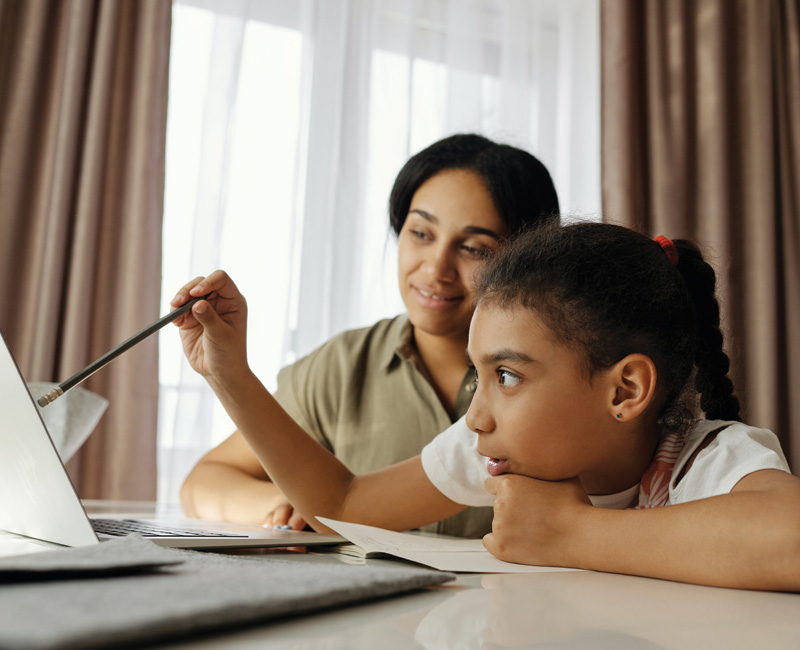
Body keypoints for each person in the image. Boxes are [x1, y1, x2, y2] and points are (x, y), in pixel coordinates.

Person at [173, 221, 800, 590]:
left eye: (507, 375)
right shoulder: (495, 453)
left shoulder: (707, 457)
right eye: (480, 378)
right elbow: (342, 505)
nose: (476, 416)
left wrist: (573, 532)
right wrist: (230, 374)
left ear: (625, 391)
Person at [178, 133, 559, 538]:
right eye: (421, 234)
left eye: (473, 248)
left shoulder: (553, 381)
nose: (435, 269)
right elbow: (205, 482)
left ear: (526, 261)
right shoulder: (343, 366)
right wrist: (286, 505)